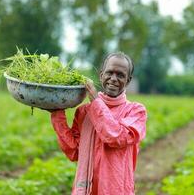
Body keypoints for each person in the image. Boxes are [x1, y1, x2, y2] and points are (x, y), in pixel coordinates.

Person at [50, 52, 147, 195]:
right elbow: (74, 151)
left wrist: (96, 101)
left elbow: (115, 136)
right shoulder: (84, 112)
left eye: (120, 75)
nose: (113, 79)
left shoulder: (135, 111)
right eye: (110, 73)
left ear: (128, 80)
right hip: (86, 190)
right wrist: (56, 113)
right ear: (101, 75)